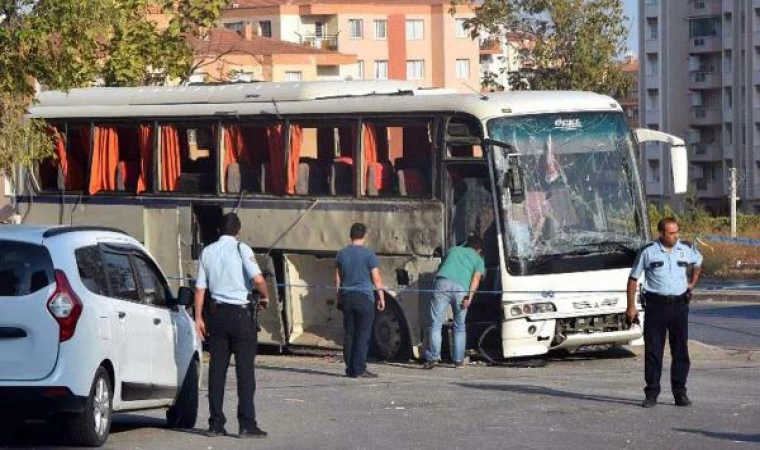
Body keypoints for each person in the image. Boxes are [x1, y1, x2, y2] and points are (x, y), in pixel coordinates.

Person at [194, 212, 269, 438]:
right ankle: (247, 424)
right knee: (245, 372)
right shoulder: (242, 249)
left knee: (217, 371)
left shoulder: (207, 251)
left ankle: (216, 423)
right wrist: (265, 297)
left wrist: (198, 317)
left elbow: (200, 289)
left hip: (216, 316)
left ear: (218, 230)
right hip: (241, 316)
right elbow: (257, 279)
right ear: (239, 231)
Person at [626, 217, 703, 408]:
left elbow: (698, 262)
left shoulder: (685, 249)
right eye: (671, 233)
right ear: (661, 233)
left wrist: (691, 284)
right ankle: (651, 393)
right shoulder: (648, 252)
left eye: (677, 232)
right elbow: (633, 279)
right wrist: (631, 306)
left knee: (680, 351)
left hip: (679, 306)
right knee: (654, 351)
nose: (675, 236)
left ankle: (680, 393)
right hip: (656, 306)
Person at [423, 235, 485, 369]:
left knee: (436, 323)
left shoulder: (453, 250)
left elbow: (442, 266)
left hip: (442, 284)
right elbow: (476, 279)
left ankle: (433, 358)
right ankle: (458, 360)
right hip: (461, 289)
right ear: (479, 249)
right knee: (459, 325)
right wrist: (470, 297)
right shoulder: (479, 260)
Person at [335, 222, 385, 378]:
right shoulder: (369, 254)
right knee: (363, 334)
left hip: (347, 297)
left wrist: (339, 297)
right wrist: (381, 297)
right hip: (364, 297)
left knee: (350, 332)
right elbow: (376, 278)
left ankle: (350, 368)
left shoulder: (341, 254)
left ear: (351, 235)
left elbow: (337, 278)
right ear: (364, 236)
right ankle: (359, 368)